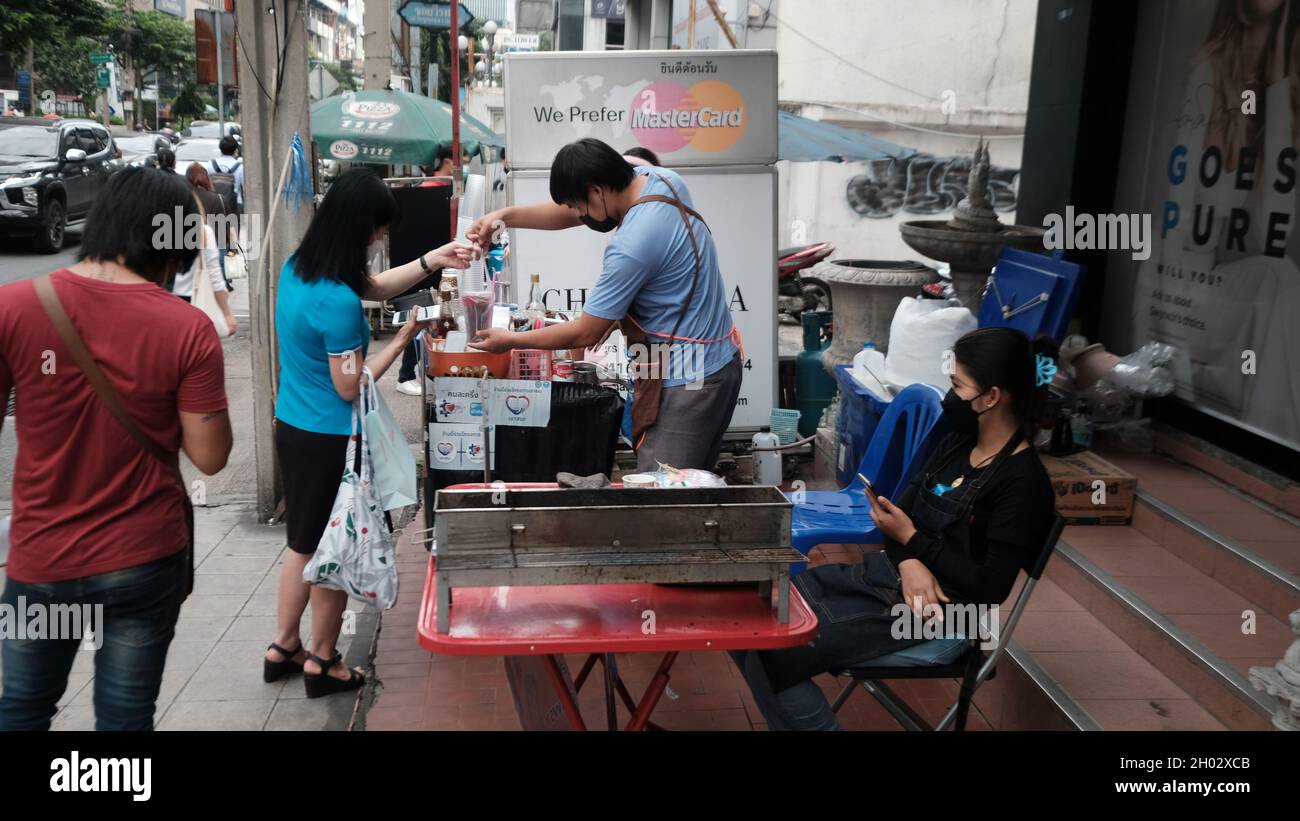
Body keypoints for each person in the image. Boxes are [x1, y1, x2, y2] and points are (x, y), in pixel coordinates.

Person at [732, 327, 1058, 730]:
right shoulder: (957, 443)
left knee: (778, 647)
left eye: (957, 386)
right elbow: (893, 521)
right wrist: (909, 562)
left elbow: (990, 587)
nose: (950, 397)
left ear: (991, 397)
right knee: (749, 611)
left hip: (947, 615)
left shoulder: (1021, 483)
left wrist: (913, 543)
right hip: (888, 580)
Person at [0, 167, 233, 730]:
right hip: (141, 562)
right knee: (126, 721)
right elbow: (211, 457)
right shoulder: (187, 329)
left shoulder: (14, 306)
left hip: (42, 564)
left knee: (22, 711)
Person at [268, 167, 471, 697]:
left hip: (292, 425)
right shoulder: (335, 302)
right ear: (357, 226)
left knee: (302, 544)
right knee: (335, 551)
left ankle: (283, 647)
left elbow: (376, 286)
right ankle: (323, 660)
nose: (381, 237)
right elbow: (349, 385)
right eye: (378, 229)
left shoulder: (299, 269)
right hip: (330, 438)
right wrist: (405, 336)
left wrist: (433, 260)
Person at [468, 137, 742, 472]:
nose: (581, 215)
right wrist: (504, 216)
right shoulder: (664, 180)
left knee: (662, 493)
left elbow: (585, 332)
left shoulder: (632, 243)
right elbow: (570, 212)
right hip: (721, 361)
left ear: (598, 190)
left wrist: (511, 341)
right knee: (693, 486)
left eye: (581, 206)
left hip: (690, 378)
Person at [395, 144, 473, 396]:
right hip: (427, 267)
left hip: (444, 267)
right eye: (461, 161)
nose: (463, 166)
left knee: (440, 322)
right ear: (448, 162)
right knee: (422, 318)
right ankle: (406, 374)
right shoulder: (427, 191)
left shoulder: (452, 193)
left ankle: (429, 371)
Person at [185, 164, 236, 290]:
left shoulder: (184, 199)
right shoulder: (219, 199)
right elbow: (231, 228)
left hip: (191, 250)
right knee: (218, 287)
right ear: (207, 178)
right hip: (219, 247)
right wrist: (234, 248)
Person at [210, 135, 244, 211]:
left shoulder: (210, 164)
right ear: (236, 150)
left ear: (220, 148)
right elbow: (245, 188)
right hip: (235, 205)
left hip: (215, 203)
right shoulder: (240, 167)